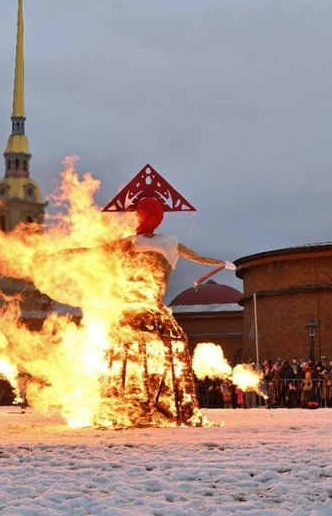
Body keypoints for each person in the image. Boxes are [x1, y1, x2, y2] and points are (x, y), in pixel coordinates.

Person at [65, 165, 235, 426]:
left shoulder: (131, 242)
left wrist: (70, 252)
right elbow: (198, 258)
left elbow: (96, 251)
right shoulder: (170, 243)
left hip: (129, 315)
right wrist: (221, 262)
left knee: (126, 361)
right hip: (155, 316)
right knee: (162, 357)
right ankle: (157, 408)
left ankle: (126, 408)